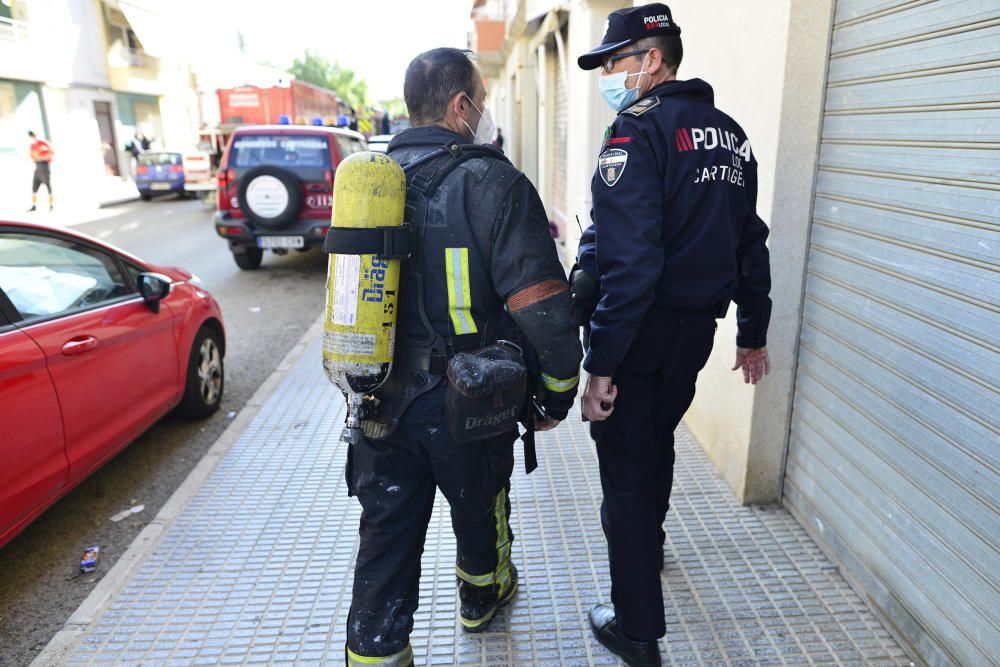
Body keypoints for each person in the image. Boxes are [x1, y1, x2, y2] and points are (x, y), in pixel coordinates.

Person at [343, 47, 583, 666]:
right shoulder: (492, 180)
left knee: (386, 537)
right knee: (480, 502)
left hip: (377, 396)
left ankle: (374, 653)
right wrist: (556, 391)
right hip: (468, 394)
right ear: (460, 105)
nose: (484, 111)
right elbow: (544, 307)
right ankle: (481, 598)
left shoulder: (370, 181)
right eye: (480, 98)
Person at [576, 4, 772, 666]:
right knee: (655, 445)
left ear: (652, 58)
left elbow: (629, 266)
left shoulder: (638, 135)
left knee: (625, 478)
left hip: (639, 335)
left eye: (616, 61)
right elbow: (751, 241)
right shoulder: (730, 134)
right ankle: (649, 553)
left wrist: (601, 363)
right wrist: (753, 328)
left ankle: (637, 630)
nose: (611, 74)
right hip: (695, 336)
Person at [27, 131, 54, 212]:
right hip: (37, 168)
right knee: (34, 187)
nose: (32, 136)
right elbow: (32, 157)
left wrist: (40, 157)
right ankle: (34, 205)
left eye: (33, 134)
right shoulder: (32, 145)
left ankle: (51, 205)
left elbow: (51, 153)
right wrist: (38, 157)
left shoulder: (43, 143)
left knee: (48, 187)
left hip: (44, 167)